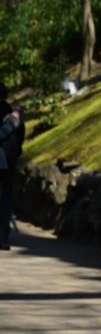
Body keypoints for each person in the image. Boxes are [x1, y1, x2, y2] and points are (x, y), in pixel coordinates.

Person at [0, 82, 25, 251]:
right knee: (5, 199)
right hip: (5, 164)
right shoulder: (9, 113)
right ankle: (2, 236)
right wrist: (12, 122)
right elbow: (19, 137)